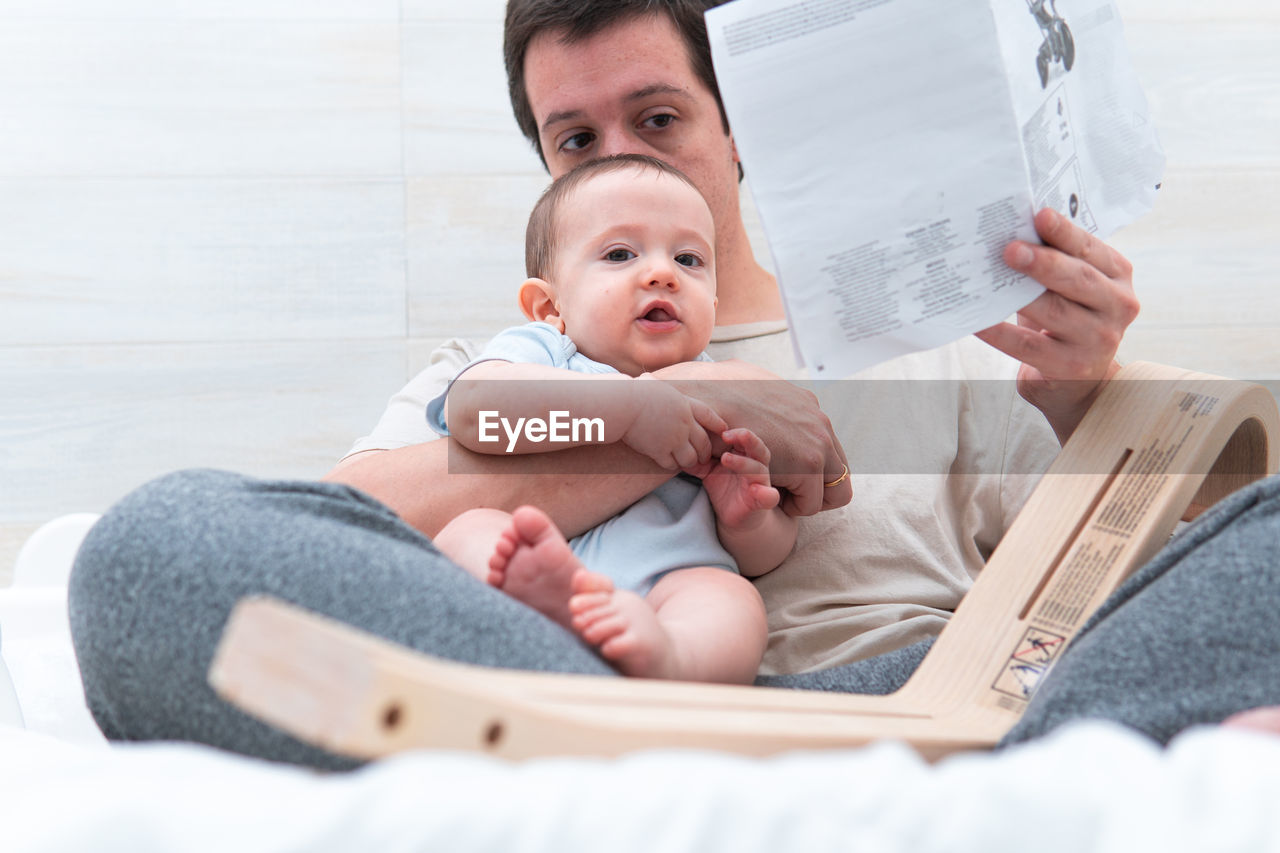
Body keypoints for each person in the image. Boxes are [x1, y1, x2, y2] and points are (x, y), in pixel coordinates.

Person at [67, 0, 1280, 770]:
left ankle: (598, 760)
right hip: (554, 675)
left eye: (657, 115)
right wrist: (669, 420)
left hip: (915, 697)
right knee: (153, 546)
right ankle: (614, 743)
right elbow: (333, 529)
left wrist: (1086, 394)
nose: (624, 160)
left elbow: (1120, 579)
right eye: (576, 141)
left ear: (741, 117)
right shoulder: (506, 356)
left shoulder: (933, 335)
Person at [430, 154, 797, 683]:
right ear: (548, 306)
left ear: (713, 302)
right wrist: (626, 410)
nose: (662, 274)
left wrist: (750, 519)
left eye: (690, 260)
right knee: (469, 530)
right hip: (545, 554)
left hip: (667, 584)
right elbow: (475, 411)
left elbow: (769, 556)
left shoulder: (724, 388)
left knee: (732, 599)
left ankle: (669, 659)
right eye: (620, 253)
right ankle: (540, 608)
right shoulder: (547, 351)